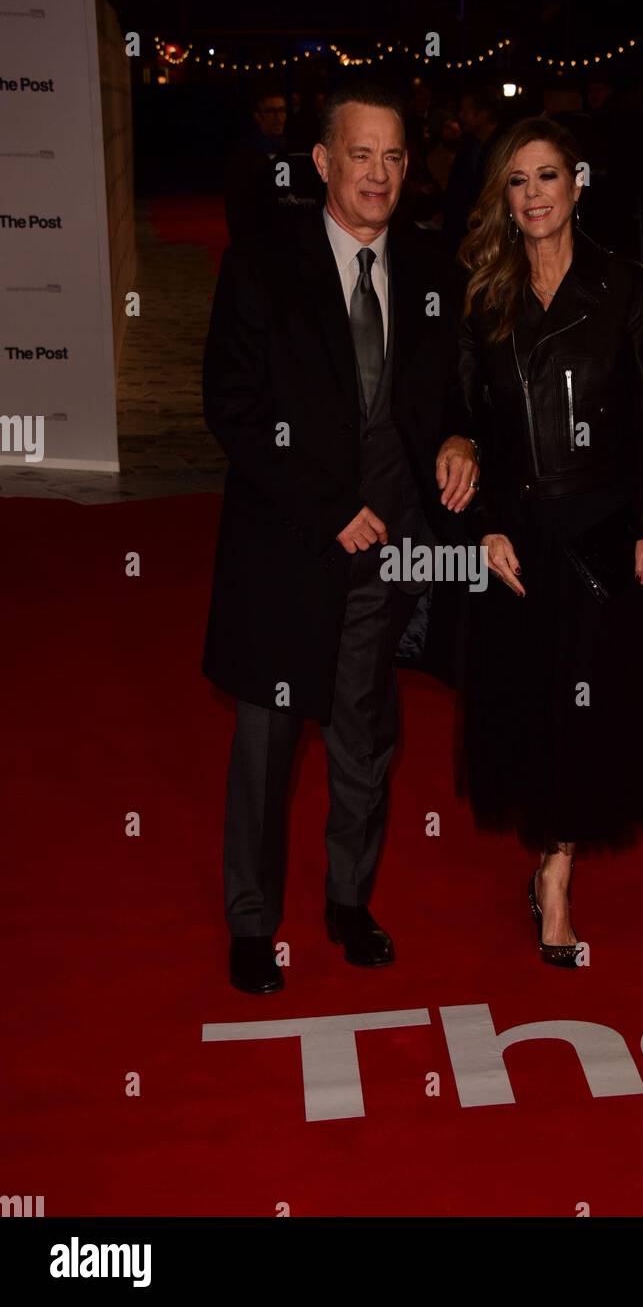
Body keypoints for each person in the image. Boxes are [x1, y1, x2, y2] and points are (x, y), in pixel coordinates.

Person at [203, 82, 479, 993]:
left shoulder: (435, 271)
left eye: (395, 156)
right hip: (288, 548)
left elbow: (451, 395)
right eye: (360, 154)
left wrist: (457, 435)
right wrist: (324, 504)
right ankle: (252, 922)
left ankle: (349, 903)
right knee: (267, 747)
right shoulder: (260, 267)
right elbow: (232, 412)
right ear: (321, 162)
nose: (378, 174)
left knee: (365, 734)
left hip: (391, 552)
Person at [457, 116, 643, 967]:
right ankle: (548, 869)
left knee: (588, 710)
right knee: (536, 706)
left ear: (576, 184)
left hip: (599, 528)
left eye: (547, 176)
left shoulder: (624, 286)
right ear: (504, 196)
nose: (532, 196)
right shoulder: (485, 293)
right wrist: (481, 517)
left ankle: (553, 880)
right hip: (519, 531)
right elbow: (468, 422)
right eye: (516, 181)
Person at [223, 82, 320, 244]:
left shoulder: (295, 151)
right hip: (256, 243)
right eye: (271, 111)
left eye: (282, 110)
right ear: (257, 116)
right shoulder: (243, 155)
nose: (278, 117)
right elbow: (237, 209)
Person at [443, 86, 503, 255]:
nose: (461, 116)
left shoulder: (505, 148)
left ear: (482, 113)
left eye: (465, 112)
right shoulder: (468, 146)